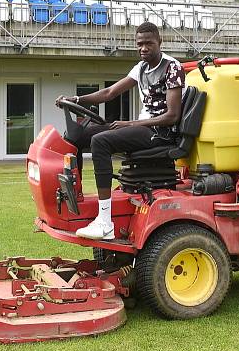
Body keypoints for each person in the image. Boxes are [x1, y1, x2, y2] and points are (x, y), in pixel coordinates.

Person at [56, 22, 185, 240]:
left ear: (160, 43)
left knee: (101, 142)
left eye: (149, 44)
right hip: (143, 128)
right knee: (76, 135)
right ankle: (74, 199)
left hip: (160, 133)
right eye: (139, 44)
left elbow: (172, 116)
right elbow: (109, 93)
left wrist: (130, 124)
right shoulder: (141, 68)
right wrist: (76, 99)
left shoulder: (172, 67)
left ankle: (105, 222)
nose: (143, 48)